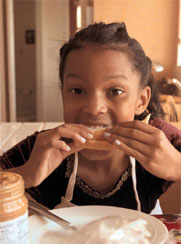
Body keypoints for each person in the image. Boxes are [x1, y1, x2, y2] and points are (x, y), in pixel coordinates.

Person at [0, 22, 181, 214]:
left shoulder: (162, 141)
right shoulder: (41, 150)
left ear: (141, 100)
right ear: (63, 94)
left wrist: (178, 167)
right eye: (77, 90)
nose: (94, 108)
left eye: (115, 91)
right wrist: (26, 174)